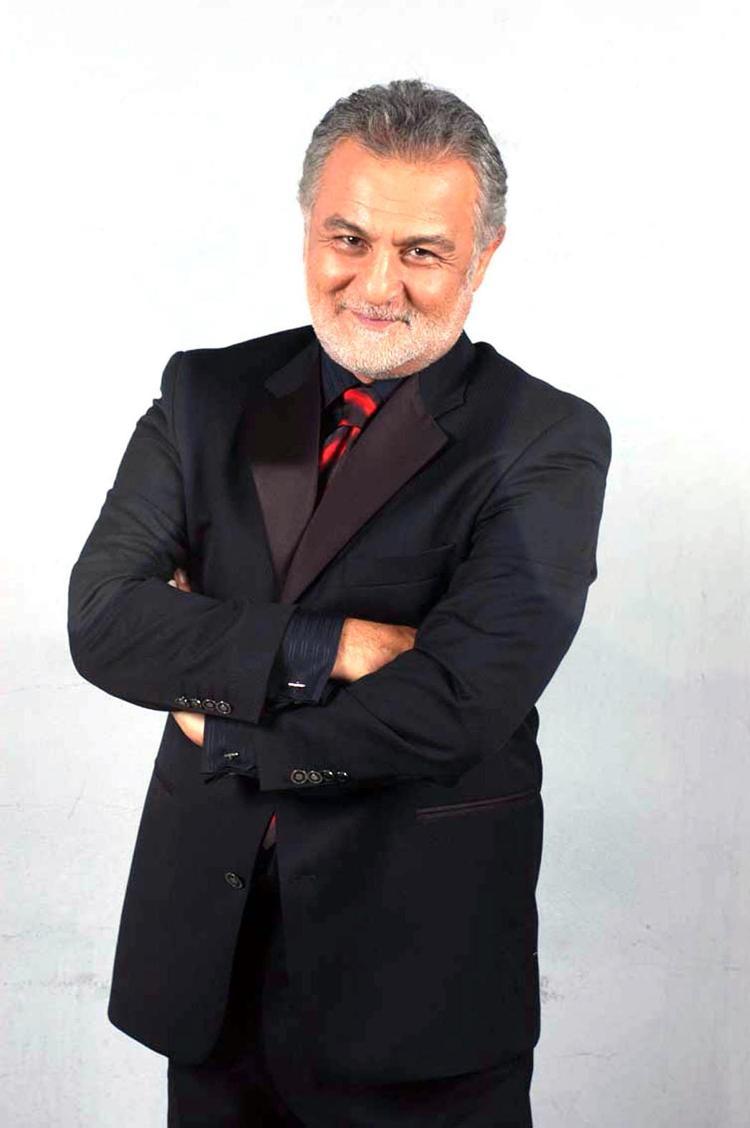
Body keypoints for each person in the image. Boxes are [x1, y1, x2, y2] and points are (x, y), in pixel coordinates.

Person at [67, 77, 611, 1127]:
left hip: (417, 976)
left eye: (422, 251)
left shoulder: (546, 440)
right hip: (208, 962)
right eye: (348, 238)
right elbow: (105, 620)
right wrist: (338, 645)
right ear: (307, 225)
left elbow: (460, 702)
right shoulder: (204, 393)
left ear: (484, 255)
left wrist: (228, 725)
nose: (376, 283)